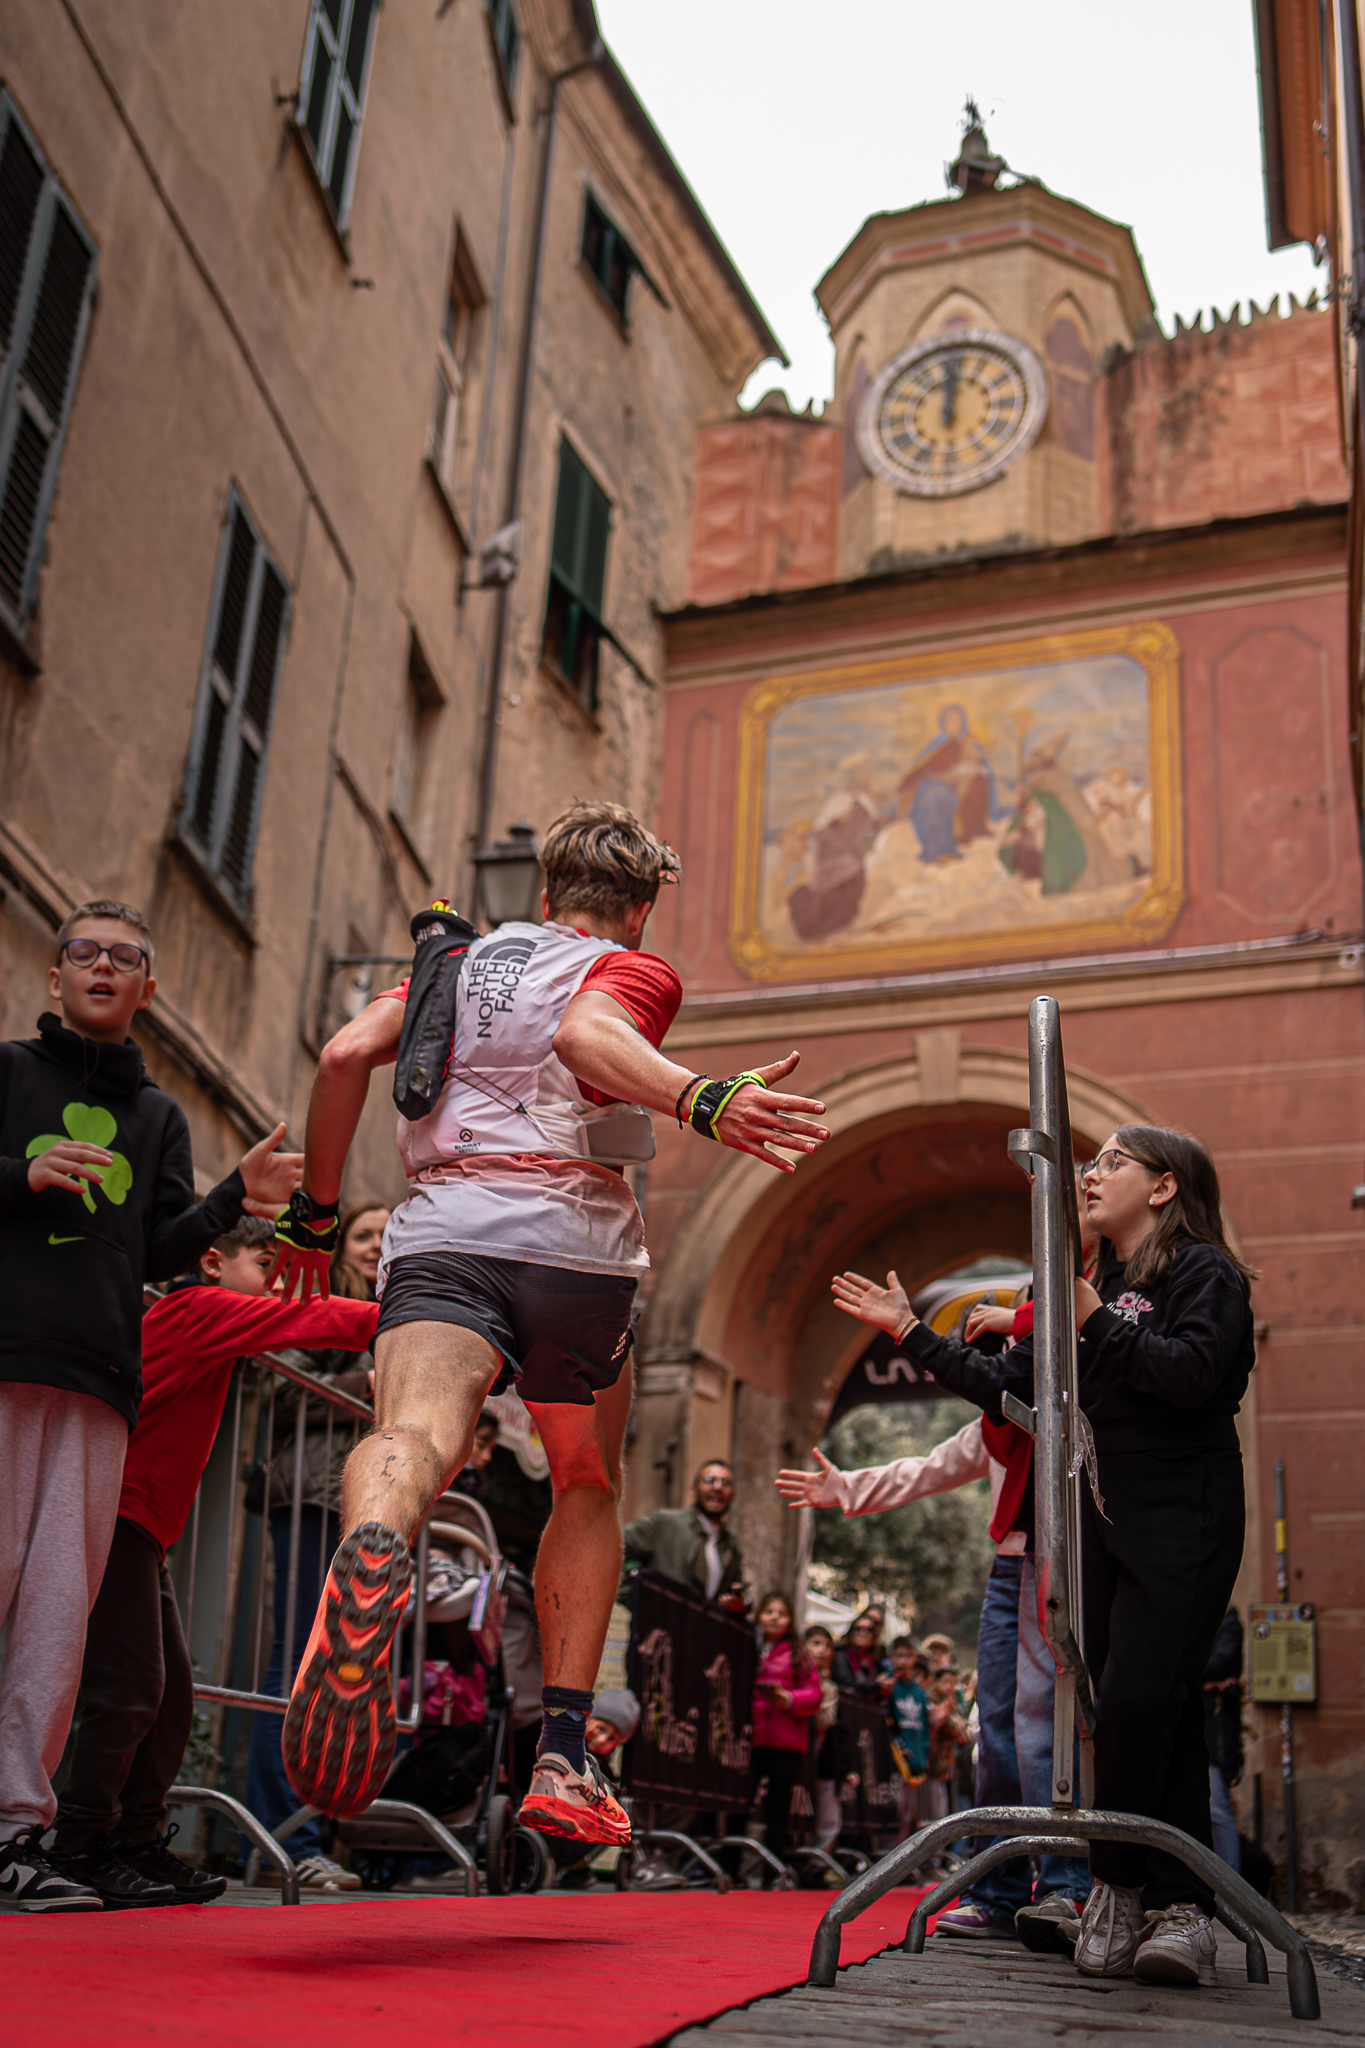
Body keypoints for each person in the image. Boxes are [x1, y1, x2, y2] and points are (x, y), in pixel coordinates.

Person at [270, 802, 829, 1847]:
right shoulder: (628, 965)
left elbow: (344, 1056)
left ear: (542, 891)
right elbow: (585, 1034)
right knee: (583, 1479)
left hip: (446, 1232)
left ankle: (377, 1540)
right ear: (639, 907)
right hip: (576, 1253)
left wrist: (313, 1213)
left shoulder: (449, 963)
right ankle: (565, 1756)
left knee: (415, 1432)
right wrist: (701, 1098)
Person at [831, 1121, 1255, 1990]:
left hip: (1186, 1518)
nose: (1090, 1175)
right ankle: (1176, 1905)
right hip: (1100, 1520)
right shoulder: (1089, 1287)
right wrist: (908, 1331)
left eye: (1112, 1162)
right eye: (1091, 1163)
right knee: (1150, 1711)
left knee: (1137, 1701)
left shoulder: (1201, 1272)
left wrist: (1094, 1318)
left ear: (1164, 1187)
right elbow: (1006, 1386)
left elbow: (1190, 1376)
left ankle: (1121, 1885)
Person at [0, 900, 302, 1915]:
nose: (101, 966)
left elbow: (167, 1247)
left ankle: (13, 1832)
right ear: (55, 975)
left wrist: (233, 1196)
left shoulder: (159, 1116)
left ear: (147, 989)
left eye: (123, 956)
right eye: (82, 951)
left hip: (98, 1385)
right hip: (5, 1360)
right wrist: (23, 1173)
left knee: (55, 1620)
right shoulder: (9, 1073)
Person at [50, 1217, 378, 1906]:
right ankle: (80, 1845)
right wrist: (414, 1319)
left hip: (142, 1531)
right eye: (265, 1263)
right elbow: (305, 1317)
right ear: (211, 1262)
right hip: (116, 1517)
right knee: (129, 1691)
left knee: (169, 1700)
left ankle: (134, 1842)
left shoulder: (213, 1325)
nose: (277, 1283)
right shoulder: (196, 1307)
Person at [246, 1202, 389, 1874]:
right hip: (311, 1497)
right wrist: (369, 1384)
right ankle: (282, 1843)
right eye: (363, 1234)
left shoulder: (400, 1314)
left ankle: (315, 1837)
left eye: (387, 1235)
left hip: (366, 1510)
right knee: (297, 1663)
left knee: (345, 1671)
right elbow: (278, 1388)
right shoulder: (315, 1298)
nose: (376, 1245)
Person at [751, 1593, 822, 1869]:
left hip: (785, 1740)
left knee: (778, 1807)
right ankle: (730, 1866)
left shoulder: (797, 1654)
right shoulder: (748, 1645)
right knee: (739, 1803)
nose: (774, 1617)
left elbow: (814, 1693)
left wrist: (788, 1699)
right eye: (769, 1611)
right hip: (750, 1739)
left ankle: (773, 1870)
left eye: (781, 1613)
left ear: (790, 1621)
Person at [621, 1459, 746, 1611]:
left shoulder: (731, 1544)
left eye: (725, 1483)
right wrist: (634, 1596)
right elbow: (612, 1551)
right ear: (693, 1489)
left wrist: (741, 1602)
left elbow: (739, 1590)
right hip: (659, 1623)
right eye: (709, 1480)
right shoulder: (663, 1523)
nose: (717, 1487)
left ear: (732, 1495)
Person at [805, 1627, 858, 1855]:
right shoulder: (792, 1678)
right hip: (792, 1751)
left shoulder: (830, 1686)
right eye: (816, 1643)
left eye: (827, 1646)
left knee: (827, 1816)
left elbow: (826, 1721)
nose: (822, 1650)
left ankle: (818, 1861)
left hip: (824, 1759)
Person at [1203, 1609, 1244, 1875]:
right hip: (1201, 1736)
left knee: (1217, 1812)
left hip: (1214, 1738)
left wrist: (1188, 1674)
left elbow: (1221, 1664)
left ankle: (1230, 1888)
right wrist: (1203, 1683)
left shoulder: (1227, 1622)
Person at [886, 1637, 930, 1843]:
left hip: (916, 1761)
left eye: (907, 1656)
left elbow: (924, 1727)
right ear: (891, 1657)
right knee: (892, 1813)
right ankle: (887, 1859)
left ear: (914, 1658)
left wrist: (923, 1755)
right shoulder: (888, 1686)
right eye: (898, 1656)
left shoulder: (919, 1692)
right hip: (894, 1760)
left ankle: (903, 1859)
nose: (902, 1661)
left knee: (907, 1815)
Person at [832, 1608, 892, 1697]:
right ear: (851, 1632)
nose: (863, 1633)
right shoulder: (839, 1654)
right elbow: (847, 1684)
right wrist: (876, 1684)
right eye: (858, 1628)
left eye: (869, 1629)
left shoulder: (875, 1658)